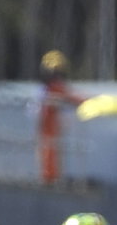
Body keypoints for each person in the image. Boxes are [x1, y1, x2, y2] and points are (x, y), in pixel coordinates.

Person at [36, 50, 85, 185]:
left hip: (51, 125)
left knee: (51, 150)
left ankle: (50, 177)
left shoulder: (49, 89)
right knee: (49, 150)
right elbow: (72, 97)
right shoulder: (51, 89)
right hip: (48, 124)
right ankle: (49, 178)